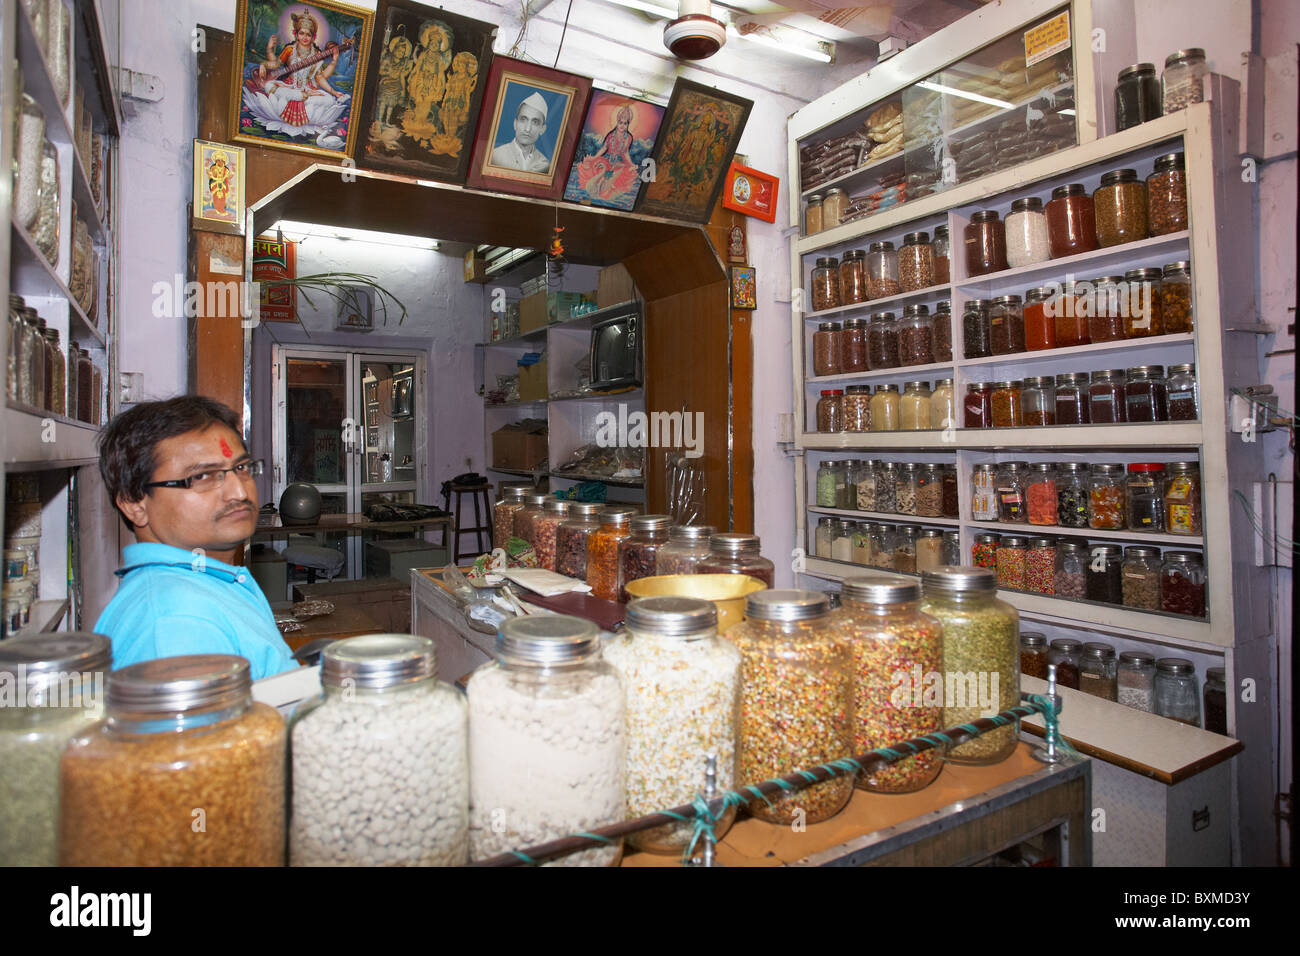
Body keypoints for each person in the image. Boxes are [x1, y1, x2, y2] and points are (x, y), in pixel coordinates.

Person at [95, 396, 296, 679]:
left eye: (241, 468)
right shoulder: (176, 623)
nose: (239, 492)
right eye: (202, 477)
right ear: (134, 503)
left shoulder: (204, 585)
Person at [490, 91, 552, 173]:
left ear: (542, 129)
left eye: (535, 122)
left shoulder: (544, 164)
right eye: (523, 120)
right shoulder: (496, 156)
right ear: (515, 124)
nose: (527, 129)